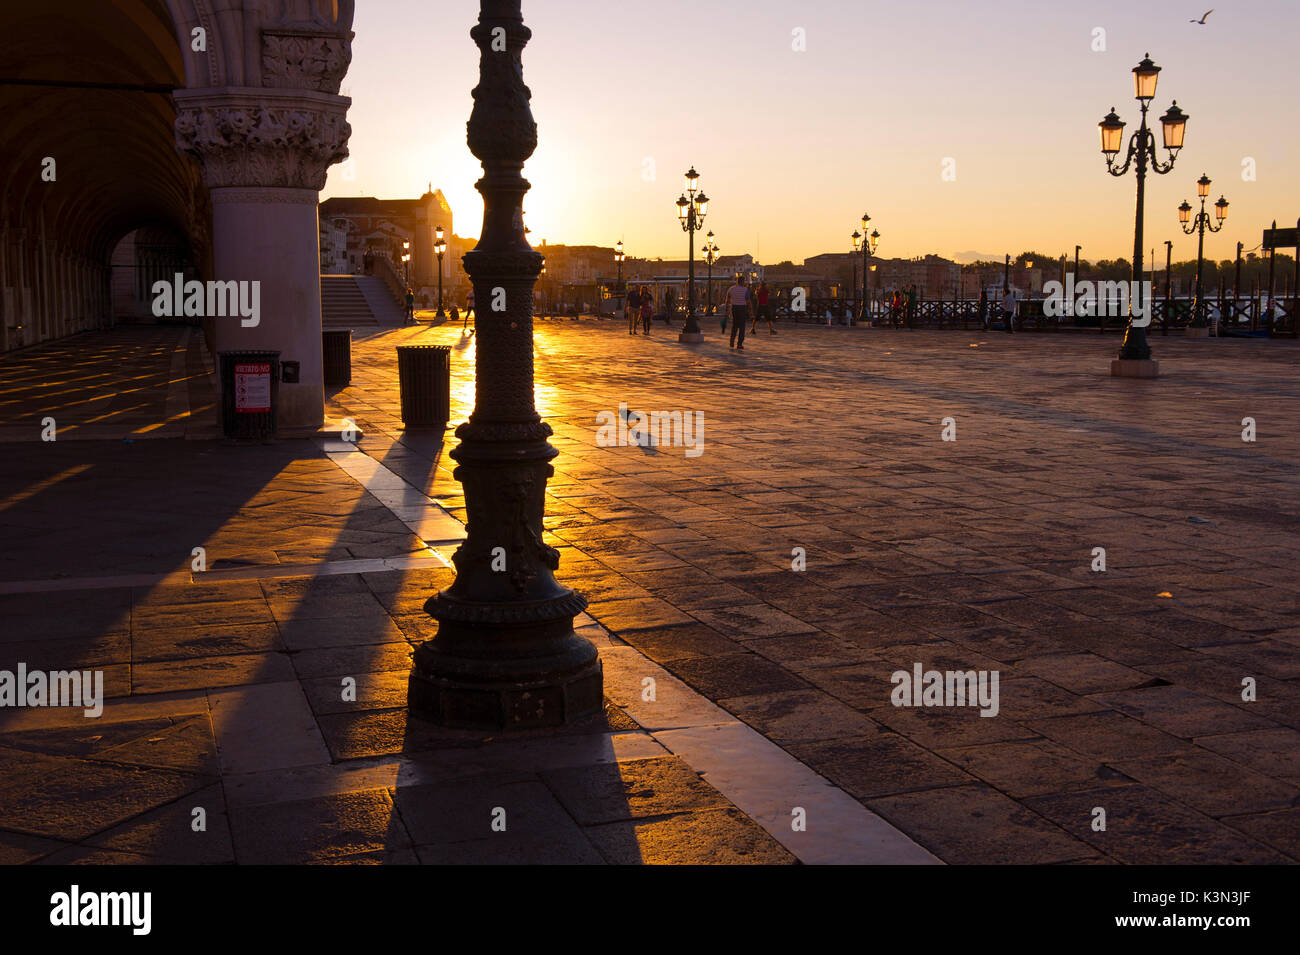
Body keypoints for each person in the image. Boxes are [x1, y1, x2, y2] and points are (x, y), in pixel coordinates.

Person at [726, 274, 753, 349]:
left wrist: (726, 310)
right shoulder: (745, 290)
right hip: (742, 308)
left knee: (734, 325)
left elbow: (727, 301)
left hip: (734, 308)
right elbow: (748, 301)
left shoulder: (731, 289)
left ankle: (732, 341)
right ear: (743, 282)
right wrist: (751, 311)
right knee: (742, 327)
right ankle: (739, 344)